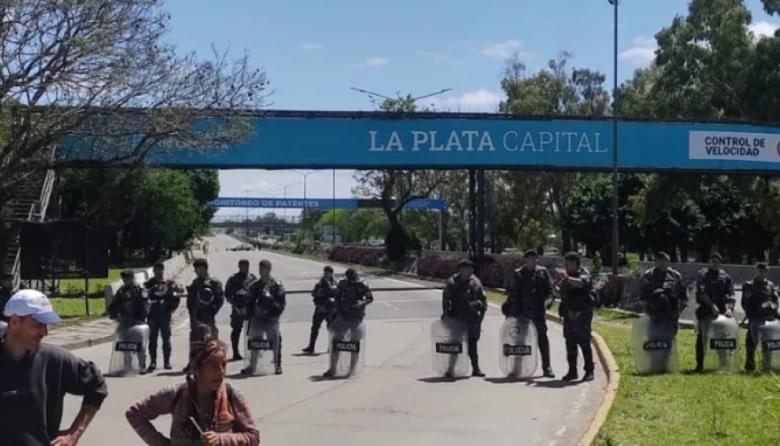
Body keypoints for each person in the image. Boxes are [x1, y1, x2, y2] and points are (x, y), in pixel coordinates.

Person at [1, 290, 108, 445]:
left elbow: (97, 386)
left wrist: (73, 435)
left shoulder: (55, 360)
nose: (45, 332)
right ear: (15, 322)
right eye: (39, 325)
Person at [126, 339, 260, 446]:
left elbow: (253, 437)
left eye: (223, 365)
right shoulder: (176, 394)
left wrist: (221, 439)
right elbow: (134, 414)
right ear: (197, 369)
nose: (221, 372)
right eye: (213, 366)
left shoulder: (232, 395)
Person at [502, 250, 556, 377]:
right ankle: (516, 367)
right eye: (529, 259)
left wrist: (547, 303)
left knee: (542, 339)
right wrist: (510, 313)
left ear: (537, 260)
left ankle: (547, 367)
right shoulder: (518, 274)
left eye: (534, 259)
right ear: (525, 260)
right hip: (522, 313)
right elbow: (512, 294)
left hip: (538, 312)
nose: (531, 261)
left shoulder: (542, 272)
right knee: (520, 341)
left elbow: (551, 291)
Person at [323, 268, 374, 378]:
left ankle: (352, 370)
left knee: (354, 344)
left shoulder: (362, 284)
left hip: (356, 316)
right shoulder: (342, 283)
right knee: (336, 342)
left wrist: (362, 302)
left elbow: (370, 297)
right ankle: (333, 369)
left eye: (352, 278)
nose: (351, 280)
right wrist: (336, 307)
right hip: (343, 315)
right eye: (349, 277)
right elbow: (337, 295)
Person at [442, 259, 487, 378]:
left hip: (472, 320)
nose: (468, 271)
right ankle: (450, 369)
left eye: (469, 269)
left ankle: (476, 369)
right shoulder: (452, 282)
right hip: (457, 318)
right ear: (460, 270)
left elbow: (483, 301)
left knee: (472, 345)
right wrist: (447, 315)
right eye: (465, 269)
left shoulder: (476, 282)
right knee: (455, 345)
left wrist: (478, 310)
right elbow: (446, 300)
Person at [242, 259, 286, 375]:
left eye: (264, 269)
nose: (262, 272)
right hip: (257, 318)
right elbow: (249, 301)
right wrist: (250, 312)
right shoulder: (255, 285)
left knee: (276, 342)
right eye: (260, 269)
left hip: (271, 319)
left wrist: (273, 312)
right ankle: (252, 366)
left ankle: (277, 365)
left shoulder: (276, 285)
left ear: (269, 270)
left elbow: (281, 302)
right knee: (255, 342)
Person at [694, 252, 735, 372]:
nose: (715, 263)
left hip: (722, 311)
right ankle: (700, 364)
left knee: (722, 337)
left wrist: (729, 308)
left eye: (717, 261)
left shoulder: (726, 276)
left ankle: (723, 363)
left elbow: (731, 293)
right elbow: (701, 292)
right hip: (706, 309)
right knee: (702, 337)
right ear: (709, 262)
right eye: (712, 261)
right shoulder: (702, 274)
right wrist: (712, 306)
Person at [559, 252, 596, 382]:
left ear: (575, 263)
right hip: (569, 313)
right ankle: (572, 370)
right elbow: (562, 293)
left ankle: (589, 370)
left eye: (568, 263)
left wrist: (567, 279)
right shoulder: (566, 276)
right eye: (565, 263)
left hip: (583, 314)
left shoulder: (584, 273)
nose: (566, 266)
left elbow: (582, 283)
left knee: (584, 342)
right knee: (570, 342)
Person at [185, 259, 224, 373]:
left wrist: (212, 311)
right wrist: (191, 311)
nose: (195, 271)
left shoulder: (214, 283)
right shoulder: (195, 282)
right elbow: (191, 299)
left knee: (210, 339)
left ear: (203, 268)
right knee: (195, 340)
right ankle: (193, 363)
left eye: (197, 268)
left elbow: (220, 299)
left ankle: (214, 362)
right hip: (196, 316)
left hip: (208, 315)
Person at [108, 269, 151, 372]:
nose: (126, 281)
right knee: (125, 346)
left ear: (132, 278)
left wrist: (141, 319)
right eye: (124, 279)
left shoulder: (140, 289)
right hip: (125, 322)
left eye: (128, 278)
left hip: (138, 322)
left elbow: (146, 305)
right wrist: (113, 314)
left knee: (139, 345)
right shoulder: (121, 291)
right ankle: (128, 366)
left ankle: (141, 365)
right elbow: (114, 305)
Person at [144, 262, 183, 372]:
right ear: (153, 271)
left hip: (165, 315)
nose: (158, 272)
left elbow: (180, 290)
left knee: (166, 339)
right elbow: (142, 294)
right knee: (152, 340)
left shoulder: (168, 283)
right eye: (156, 270)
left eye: (160, 270)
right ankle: (153, 362)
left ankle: (167, 361)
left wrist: (176, 288)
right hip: (152, 316)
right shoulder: (149, 284)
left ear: (163, 270)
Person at [741, 262, 779, 372]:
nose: (762, 273)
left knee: (769, 343)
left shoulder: (771, 285)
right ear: (756, 270)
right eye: (760, 271)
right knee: (751, 343)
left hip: (769, 320)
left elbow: (775, 302)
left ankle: (768, 366)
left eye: (765, 271)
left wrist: (772, 307)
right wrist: (759, 308)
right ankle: (750, 366)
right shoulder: (749, 285)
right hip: (755, 318)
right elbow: (745, 304)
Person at [639, 252, 688, 333]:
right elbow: (643, 297)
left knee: (670, 339)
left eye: (665, 261)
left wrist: (678, 312)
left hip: (671, 313)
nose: (663, 264)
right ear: (656, 262)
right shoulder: (648, 275)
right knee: (654, 337)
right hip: (654, 313)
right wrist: (647, 313)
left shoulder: (675, 275)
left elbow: (683, 296)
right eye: (660, 261)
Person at [225, 259, 257, 361]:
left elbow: (257, 293)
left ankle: (253, 353)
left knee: (252, 332)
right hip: (237, 309)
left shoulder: (253, 278)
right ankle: (235, 352)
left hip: (250, 309)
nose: (245, 267)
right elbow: (227, 295)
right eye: (242, 265)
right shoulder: (233, 279)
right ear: (239, 266)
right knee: (236, 331)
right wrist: (235, 306)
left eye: (246, 265)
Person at [302, 265, 337, 354]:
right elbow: (314, 292)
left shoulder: (334, 283)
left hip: (330, 309)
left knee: (331, 329)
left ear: (331, 273)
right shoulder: (320, 282)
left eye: (328, 273)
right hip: (320, 308)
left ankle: (332, 346)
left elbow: (335, 293)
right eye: (325, 272)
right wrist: (317, 293)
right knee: (315, 328)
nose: (326, 274)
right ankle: (311, 347)